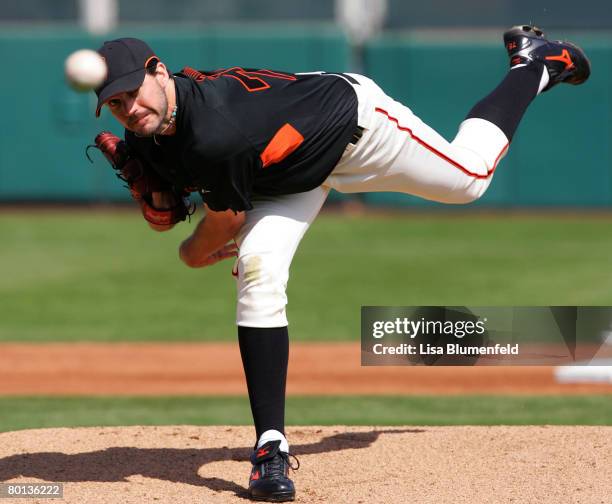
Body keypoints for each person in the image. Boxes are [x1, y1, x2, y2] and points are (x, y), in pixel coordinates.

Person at [93, 25, 590, 502]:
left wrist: (188, 251)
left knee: (470, 178)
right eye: (115, 103)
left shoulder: (217, 130)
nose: (130, 109)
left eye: (134, 93)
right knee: (260, 270)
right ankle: (271, 447)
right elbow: (190, 181)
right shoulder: (152, 126)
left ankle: (534, 62)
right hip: (284, 169)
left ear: (159, 72)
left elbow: (222, 223)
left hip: (356, 127)